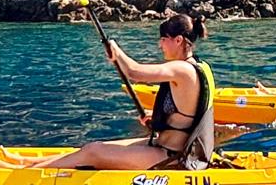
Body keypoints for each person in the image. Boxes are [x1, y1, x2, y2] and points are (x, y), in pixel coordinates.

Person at [20, 13, 215, 170]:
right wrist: (156, 119)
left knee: (93, 152)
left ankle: (22, 174)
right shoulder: (201, 66)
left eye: (164, 39)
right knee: (91, 148)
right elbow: (187, 114)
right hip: (165, 147)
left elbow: (134, 72)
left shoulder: (182, 69)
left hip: (171, 157)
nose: (160, 45)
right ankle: (28, 163)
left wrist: (115, 48)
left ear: (179, 40)